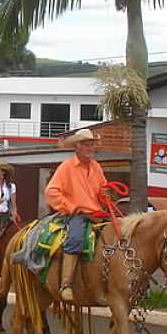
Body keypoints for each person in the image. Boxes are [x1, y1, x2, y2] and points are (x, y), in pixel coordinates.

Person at [45, 128, 108, 302]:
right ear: (77, 147)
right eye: (87, 145)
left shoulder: (96, 167)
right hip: (76, 214)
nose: (90, 148)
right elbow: (51, 192)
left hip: (97, 213)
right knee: (76, 238)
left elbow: (101, 191)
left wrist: (105, 195)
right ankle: (66, 284)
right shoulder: (66, 167)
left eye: (92, 145)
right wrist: (72, 207)